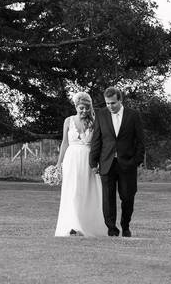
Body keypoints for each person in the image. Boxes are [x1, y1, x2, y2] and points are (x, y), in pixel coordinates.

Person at [89, 86, 146, 237]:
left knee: (128, 196)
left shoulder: (133, 115)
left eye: (113, 103)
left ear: (120, 100)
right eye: (107, 103)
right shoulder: (101, 115)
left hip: (127, 164)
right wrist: (93, 162)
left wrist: (136, 161)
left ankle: (125, 226)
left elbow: (141, 141)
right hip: (107, 163)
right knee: (108, 199)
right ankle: (112, 229)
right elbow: (96, 139)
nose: (110, 106)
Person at [53, 92, 108, 237]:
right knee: (72, 192)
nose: (84, 111)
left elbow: (99, 144)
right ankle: (72, 226)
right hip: (71, 160)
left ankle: (87, 225)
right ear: (76, 106)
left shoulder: (94, 121)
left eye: (87, 108)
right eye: (81, 108)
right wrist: (59, 164)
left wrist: (98, 162)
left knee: (87, 192)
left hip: (88, 161)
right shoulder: (68, 121)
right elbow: (64, 143)